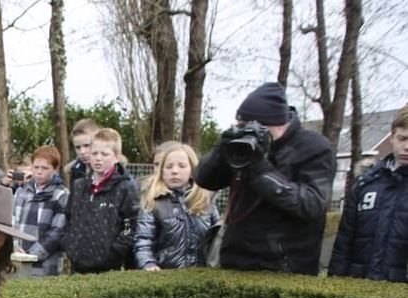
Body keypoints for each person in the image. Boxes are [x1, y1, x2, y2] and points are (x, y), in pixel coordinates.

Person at [195, 82, 336, 275]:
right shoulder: (241, 144)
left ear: (277, 124)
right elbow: (205, 179)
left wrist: (261, 170)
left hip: (285, 265)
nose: (248, 132)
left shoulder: (314, 148)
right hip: (234, 260)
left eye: (253, 127)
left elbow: (311, 204)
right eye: (242, 126)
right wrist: (222, 151)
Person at [328, 105, 408, 281]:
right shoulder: (366, 183)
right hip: (359, 288)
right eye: (403, 138)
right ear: (392, 136)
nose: (406, 147)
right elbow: (344, 243)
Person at [61, 127, 140, 273]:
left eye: (104, 154)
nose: (98, 158)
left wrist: (114, 252)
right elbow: (68, 217)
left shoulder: (125, 188)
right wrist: (69, 244)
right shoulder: (79, 185)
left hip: (109, 269)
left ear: (116, 157)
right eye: (94, 153)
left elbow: (131, 225)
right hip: (77, 266)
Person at [134, 142, 220, 271]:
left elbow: (217, 238)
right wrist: (148, 265)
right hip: (164, 276)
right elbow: (143, 241)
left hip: (201, 275)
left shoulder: (204, 201)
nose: (175, 171)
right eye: (169, 166)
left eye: (182, 166)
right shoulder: (152, 202)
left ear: (192, 170)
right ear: (162, 171)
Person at [12, 145, 68, 276]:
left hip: (47, 263)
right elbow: (12, 220)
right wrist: (13, 246)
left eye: (45, 168)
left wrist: (32, 254)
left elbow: (57, 231)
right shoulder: (21, 191)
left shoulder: (61, 194)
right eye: (36, 167)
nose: (39, 172)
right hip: (17, 258)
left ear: (55, 169)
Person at [68, 118, 99, 182]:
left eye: (87, 145)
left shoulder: (115, 172)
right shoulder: (75, 171)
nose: (82, 152)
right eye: (78, 147)